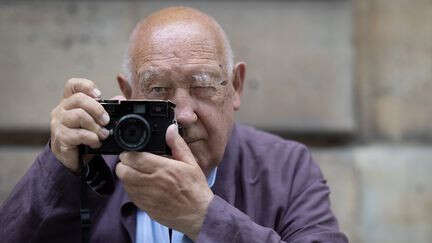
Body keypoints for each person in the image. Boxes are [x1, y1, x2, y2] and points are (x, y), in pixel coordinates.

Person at [0, 6, 348, 243]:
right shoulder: (93, 163)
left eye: (202, 85)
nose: (183, 114)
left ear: (236, 86)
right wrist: (56, 166)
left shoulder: (285, 167)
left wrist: (203, 215)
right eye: (158, 89)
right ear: (127, 92)